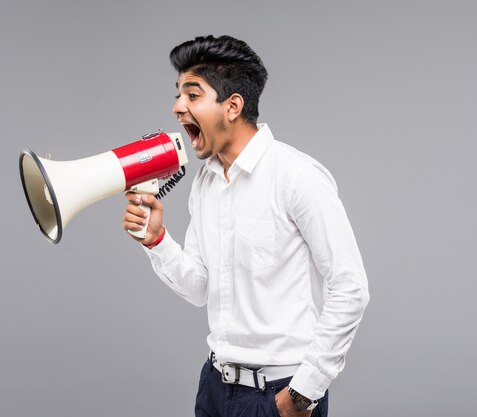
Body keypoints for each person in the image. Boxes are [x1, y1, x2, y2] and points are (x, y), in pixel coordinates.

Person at [122, 35, 369, 417]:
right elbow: (201, 287)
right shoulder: (205, 183)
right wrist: (156, 241)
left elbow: (350, 288)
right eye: (177, 95)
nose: (176, 107)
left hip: (280, 394)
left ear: (233, 106)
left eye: (192, 95)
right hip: (215, 387)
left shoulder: (297, 176)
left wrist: (302, 394)